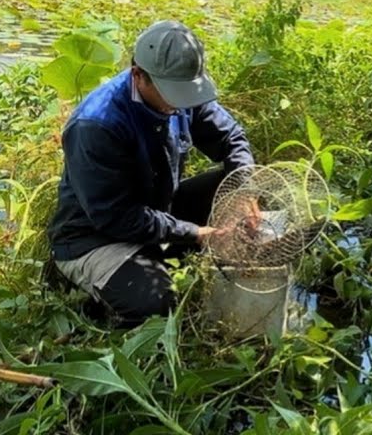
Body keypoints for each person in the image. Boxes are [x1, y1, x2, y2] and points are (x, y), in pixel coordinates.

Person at [46, 19, 256, 327]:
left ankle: (163, 252)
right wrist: (194, 233)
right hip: (96, 236)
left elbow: (231, 139)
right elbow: (116, 217)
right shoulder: (97, 125)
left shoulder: (183, 94)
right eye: (173, 93)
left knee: (232, 180)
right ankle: (86, 287)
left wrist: (244, 191)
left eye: (188, 92)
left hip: (156, 209)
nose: (181, 103)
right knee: (159, 304)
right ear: (138, 76)